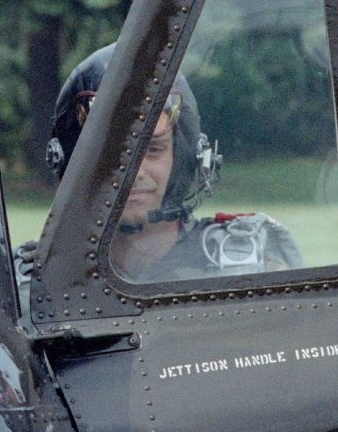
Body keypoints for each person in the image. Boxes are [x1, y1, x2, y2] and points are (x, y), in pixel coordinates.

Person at [43, 44, 303, 282]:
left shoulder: (255, 262)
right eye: (112, 154)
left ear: (183, 158)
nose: (134, 172)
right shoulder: (37, 281)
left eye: (154, 149)